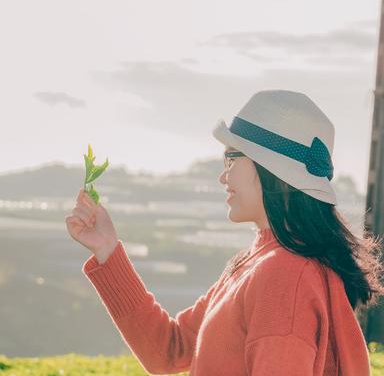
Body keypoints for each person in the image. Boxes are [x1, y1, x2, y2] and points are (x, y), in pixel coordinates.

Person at [65, 89, 384, 375]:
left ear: (271, 170)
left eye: (231, 157)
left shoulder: (284, 276)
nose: (223, 176)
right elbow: (169, 351)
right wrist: (107, 249)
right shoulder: (257, 262)